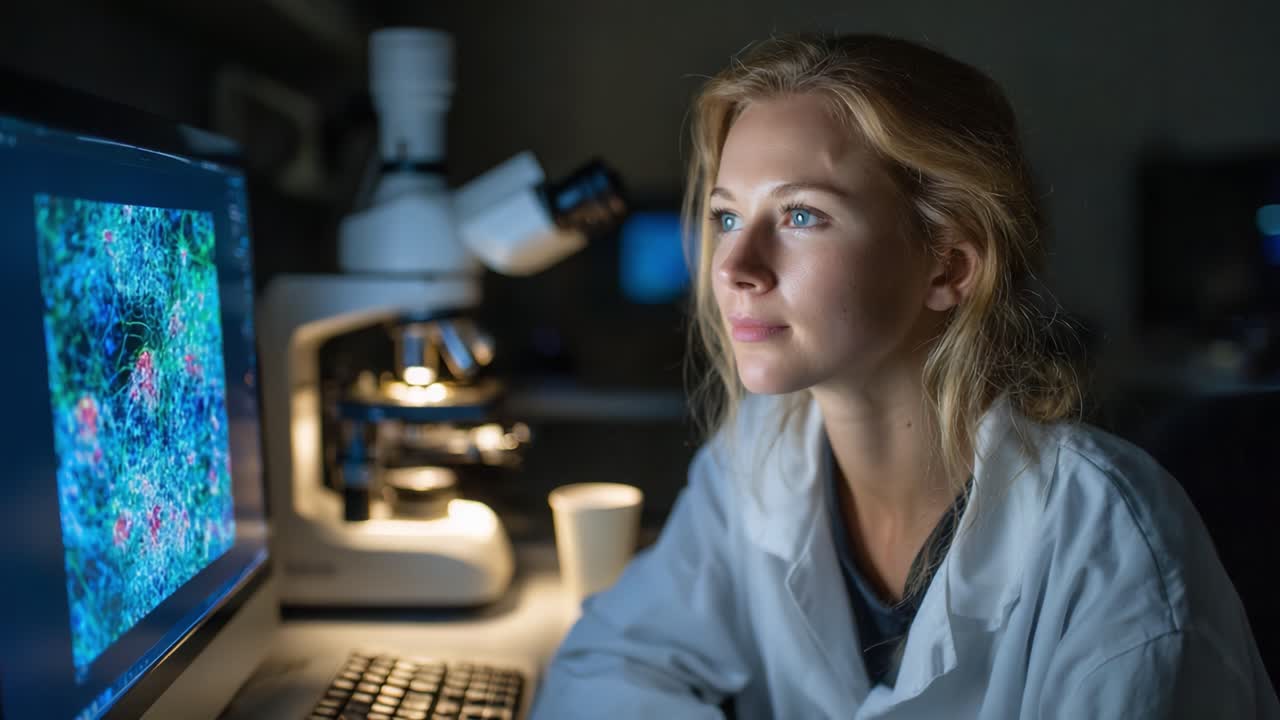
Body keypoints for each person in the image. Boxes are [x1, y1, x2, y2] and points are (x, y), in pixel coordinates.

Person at [530, 33, 1280, 719]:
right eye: (726, 217)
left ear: (948, 266)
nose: (733, 267)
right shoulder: (761, 453)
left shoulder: (1109, 542)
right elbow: (603, 668)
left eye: (800, 216)